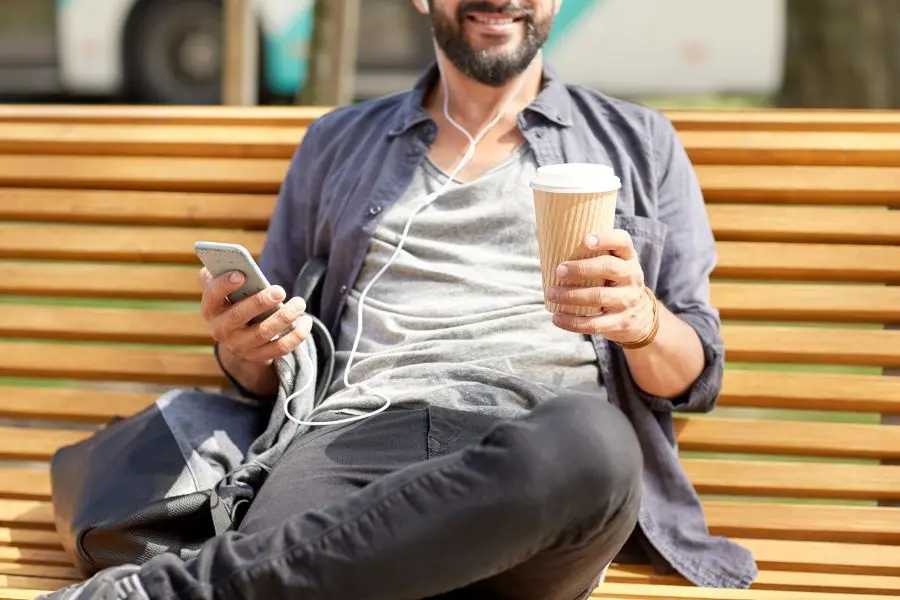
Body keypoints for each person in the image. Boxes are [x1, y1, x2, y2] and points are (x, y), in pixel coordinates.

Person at [41, 1, 758, 598]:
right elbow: (266, 370)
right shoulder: (338, 143)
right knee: (304, 545)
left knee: (595, 445)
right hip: (352, 444)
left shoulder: (640, 144)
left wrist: (642, 322)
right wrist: (244, 346)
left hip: (530, 470)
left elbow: (695, 374)